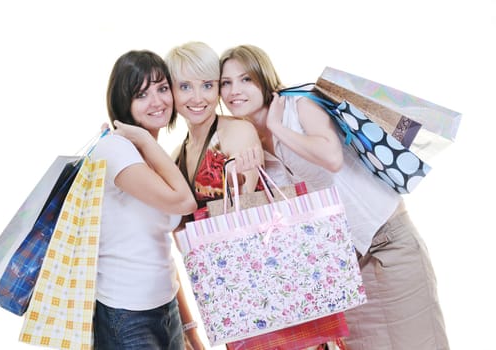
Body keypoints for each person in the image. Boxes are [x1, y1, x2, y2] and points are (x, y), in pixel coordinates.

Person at [219, 44, 450, 350]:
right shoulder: (245, 142)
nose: (235, 90)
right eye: (226, 83)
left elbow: (331, 157)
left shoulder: (298, 105)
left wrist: (276, 127)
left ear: (263, 78)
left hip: (388, 244)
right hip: (342, 268)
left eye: (245, 79)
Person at [89, 49, 199, 349]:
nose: (157, 101)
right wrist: (144, 141)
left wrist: (191, 331)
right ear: (123, 103)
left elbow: (160, 249)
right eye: (141, 94)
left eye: (162, 88)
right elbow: (184, 203)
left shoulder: (154, 154)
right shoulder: (115, 149)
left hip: (166, 309)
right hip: (126, 314)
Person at [164, 41, 263, 227]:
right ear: (171, 91)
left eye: (207, 85)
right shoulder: (177, 156)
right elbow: (179, 227)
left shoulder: (237, 131)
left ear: (218, 89)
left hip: (250, 249)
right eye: (185, 86)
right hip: (205, 254)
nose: (198, 98)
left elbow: (244, 209)